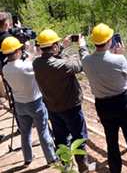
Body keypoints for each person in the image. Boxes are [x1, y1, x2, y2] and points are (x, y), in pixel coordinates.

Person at [33, 29, 96, 173]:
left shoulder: (37, 63)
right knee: (79, 138)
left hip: (52, 108)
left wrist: (61, 47)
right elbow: (82, 64)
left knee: (61, 140)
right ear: (54, 46)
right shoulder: (62, 65)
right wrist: (82, 47)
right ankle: (83, 167)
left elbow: (50, 58)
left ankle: (66, 167)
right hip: (71, 107)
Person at [82, 23, 127, 173]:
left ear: (93, 41)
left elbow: (86, 56)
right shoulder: (118, 60)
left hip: (102, 103)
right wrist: (119, 56)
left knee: (111, 139)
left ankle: (115, 170)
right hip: (123, 102)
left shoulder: (86, 60)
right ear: (110, 41)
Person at [1, 36, 58, 165]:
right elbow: (29, 66)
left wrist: (33, 53)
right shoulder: (25, 68)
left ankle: (27, 158)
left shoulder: (5, 69)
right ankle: (51, 158)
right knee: (43, 131)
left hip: (19, 105)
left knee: (25, 133)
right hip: (35, 103)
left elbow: (23, 65)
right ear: (17, 51)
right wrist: (36, 53)